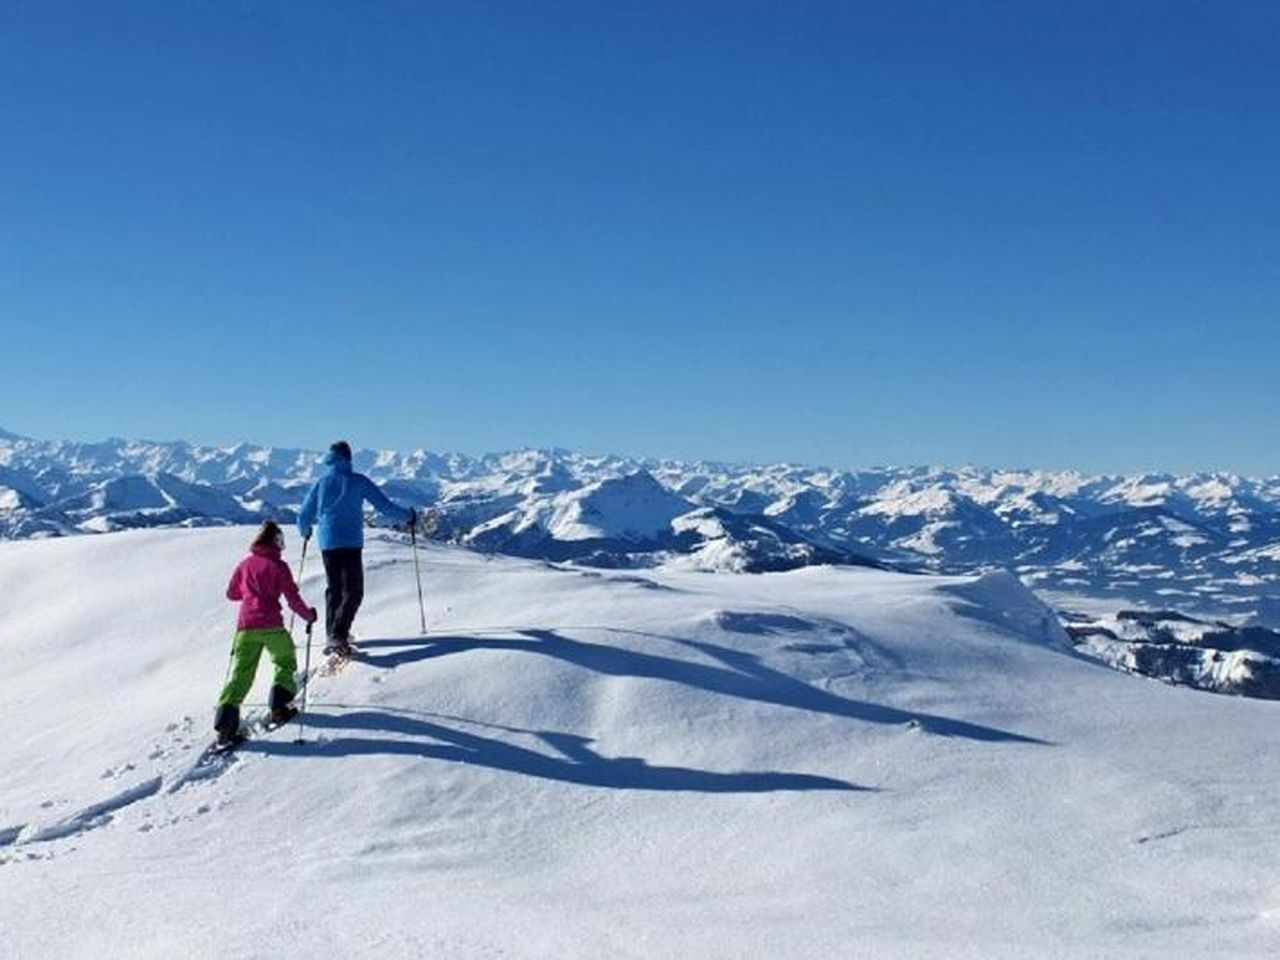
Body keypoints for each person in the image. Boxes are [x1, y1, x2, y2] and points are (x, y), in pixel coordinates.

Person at [297, 440, 415, 656]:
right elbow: (384, 506)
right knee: (353, 591)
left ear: (330, 459)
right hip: (350, 542)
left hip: (328, 543)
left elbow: (304, 515)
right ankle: (338, 635)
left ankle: (333, 633)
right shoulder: (358, 481)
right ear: (348, 458)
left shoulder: (321, 483)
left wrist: (304, 531)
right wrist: (408, 516)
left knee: (334, 590)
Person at [214, 520, 317, 746]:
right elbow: (292, 599)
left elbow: (232, 594)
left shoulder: (244, 565)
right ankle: (279, 707)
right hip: (272, 625)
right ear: (276, 542)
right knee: (285, 660)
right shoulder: (279, 567)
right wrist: (309, 616)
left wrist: (251, 594)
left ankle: (225, 726)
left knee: (241, 674)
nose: (282, 546)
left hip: (245, 627)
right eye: (281, 541)